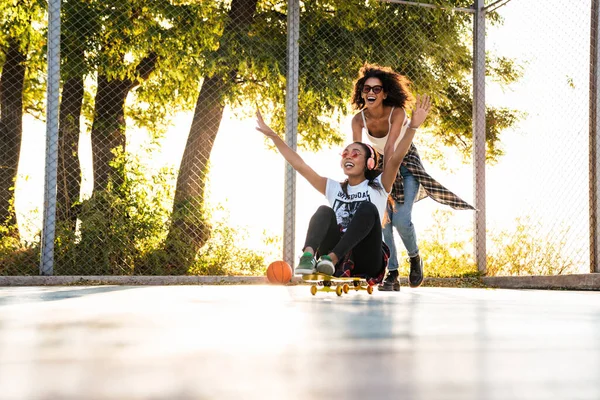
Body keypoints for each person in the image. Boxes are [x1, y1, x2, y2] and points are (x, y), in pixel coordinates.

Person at [254, 94, 431, 281]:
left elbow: (395, 159)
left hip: (367, 258)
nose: (348, 156)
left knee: (368, 209)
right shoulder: (333, 188)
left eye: (356, 154)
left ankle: (331, 259)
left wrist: (412, 127)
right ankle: (307, 257)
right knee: (323, 211)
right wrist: (273, 136)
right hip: (332, 255)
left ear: (369, 163)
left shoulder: (380, 185)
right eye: (345, 153)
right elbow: (300, 165)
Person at [351, 63, 475, 291]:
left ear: (385, 93)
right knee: (383, 223)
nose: (370, 93)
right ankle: (392, 273)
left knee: (401, 219)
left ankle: (415, 258)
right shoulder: (358, 120)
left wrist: (384, 184)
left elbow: (390, 149)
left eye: (376, 89)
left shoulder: (397, 113)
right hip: (380, 168)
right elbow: (359, 150)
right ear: (361, 92)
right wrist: (360, 181)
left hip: (406, 165)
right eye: (366, 89)